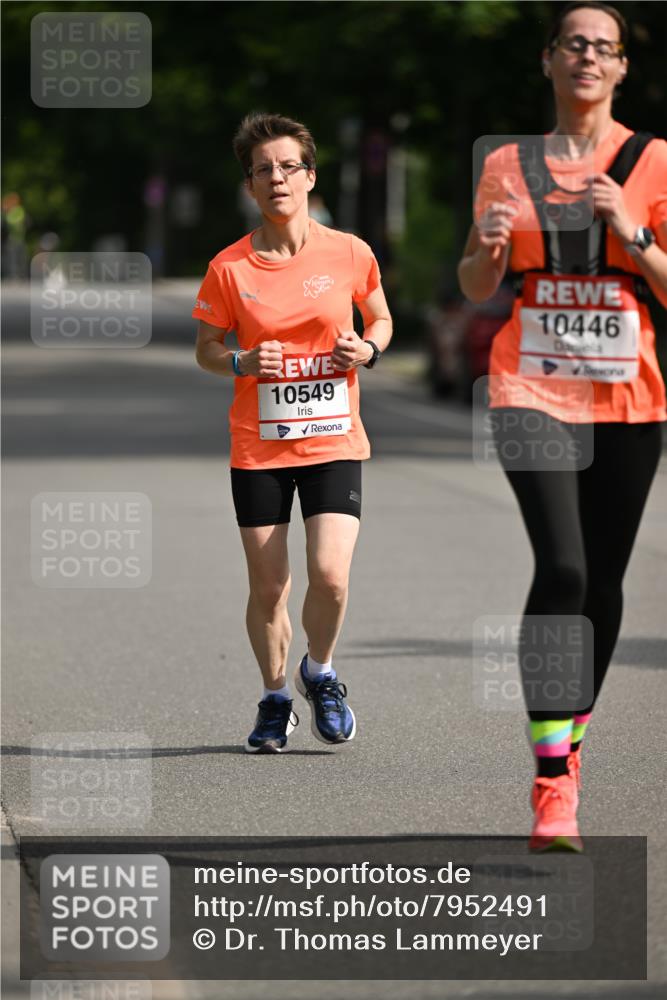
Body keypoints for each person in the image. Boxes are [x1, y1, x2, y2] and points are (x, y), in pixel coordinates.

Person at [458, 2, 667, 850]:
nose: (587, 57)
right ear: (547, 61)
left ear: (621, 69)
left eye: (603, 47)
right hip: (529, 387)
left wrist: (633, 230)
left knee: (605, 586)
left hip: (627, 395)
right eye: (573, 44)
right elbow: (475, 286)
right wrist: (489, 246)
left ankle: (568, 751)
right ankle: (551, 785)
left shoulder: (654, 161)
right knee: (564, 567)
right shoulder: (507, 164)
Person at [193, 112, 392, 753]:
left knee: (331, 576)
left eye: (287, 167)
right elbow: (205, 347)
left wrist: (367, 349)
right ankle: (276, 696)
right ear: (250, 187)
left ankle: (321, 672)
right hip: (260, 445)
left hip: (334, 437)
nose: (275, 178)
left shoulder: (351, 252)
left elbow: (380, 319)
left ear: (309, 176)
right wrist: (241, 362)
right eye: (262, 171)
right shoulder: (229, 268)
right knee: (268, 585)